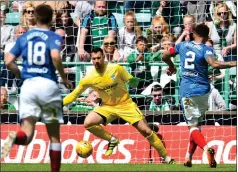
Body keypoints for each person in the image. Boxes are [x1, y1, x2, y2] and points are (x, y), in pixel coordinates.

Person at [63, 47, 176, 164]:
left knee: (146, 131)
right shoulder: (89, 77)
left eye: (98, 58)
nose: (96, 61)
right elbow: (74, 94)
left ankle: (167, 159)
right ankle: (112, 139)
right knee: (88, 123)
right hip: (108, 107)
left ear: (103, 57)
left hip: (126, 104)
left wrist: (140, 82)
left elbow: (131, 80)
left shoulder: (116, 68)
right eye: (94, 59)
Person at [1, 4, 73, 172]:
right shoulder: (53, 36)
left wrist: (20, 75)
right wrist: (63, 78)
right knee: (54, 137)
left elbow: (8, 61)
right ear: (52, 18)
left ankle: (14, 138)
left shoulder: (24, 37)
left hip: (28, 87)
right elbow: (55, 55)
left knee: (26, 136)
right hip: (48, 86)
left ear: (36, 17)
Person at [162, 23, 237, 168]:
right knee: (196, 126)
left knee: (192, 127)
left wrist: (172, 66)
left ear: (194, 33)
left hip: (187, 91)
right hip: (203, 92)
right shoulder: (206, 49)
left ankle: (207, 148)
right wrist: (235, 62)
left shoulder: (182, 46)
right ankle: (188, 158)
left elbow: (165, 55)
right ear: (207, 36)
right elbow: (214, 64)